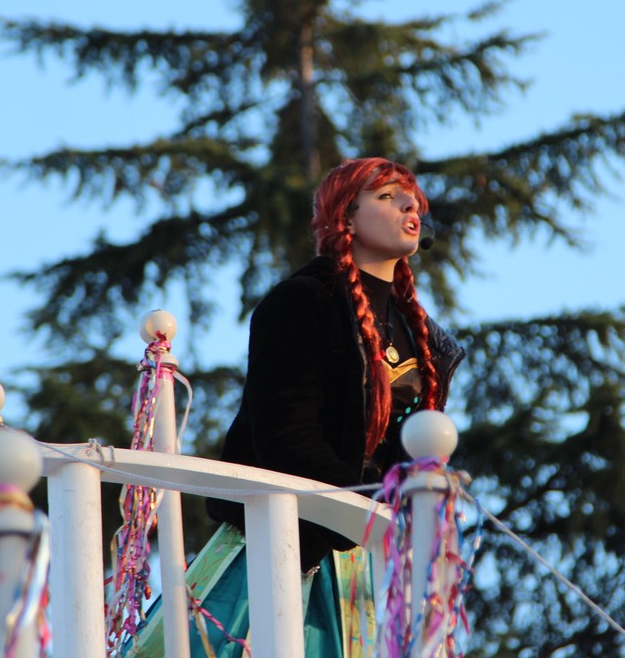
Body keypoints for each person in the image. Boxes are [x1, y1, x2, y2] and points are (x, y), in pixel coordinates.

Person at [130, 157, 464, 658]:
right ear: (345, 217)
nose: (410, 205)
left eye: (412, 198)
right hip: (285, 541)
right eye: (386, 196)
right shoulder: (301, 301)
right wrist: (367, 504)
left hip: (368, 563)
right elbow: (285, 436)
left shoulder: (425, 339)